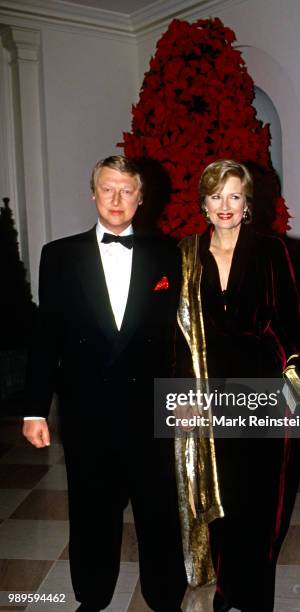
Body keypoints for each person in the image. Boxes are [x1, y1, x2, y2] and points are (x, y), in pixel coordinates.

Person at [22, 155, 187, 612]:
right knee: (91, 509)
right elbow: (45, 334)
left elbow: (184, 336)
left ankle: (165, 596)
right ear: (93, 194)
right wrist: (35, 408)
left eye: (126, 190)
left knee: (158, 509)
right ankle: (91, 597)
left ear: (140, 197)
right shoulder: (58, 255)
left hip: (152, 408)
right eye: (107, 189)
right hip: (85, 409)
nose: (116, 199)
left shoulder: (167, 254)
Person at [176, 159, 300, 612]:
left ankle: (255, 592)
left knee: (265, 498)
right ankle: (223, 588)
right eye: (216, 196)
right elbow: (175, 332)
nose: (225, 205)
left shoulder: (278, 251)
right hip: (208, 392)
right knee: (219, 494)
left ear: (247, 204)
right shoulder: (185, 253)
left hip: (270, 390)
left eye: (234, 196)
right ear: (204, 203)